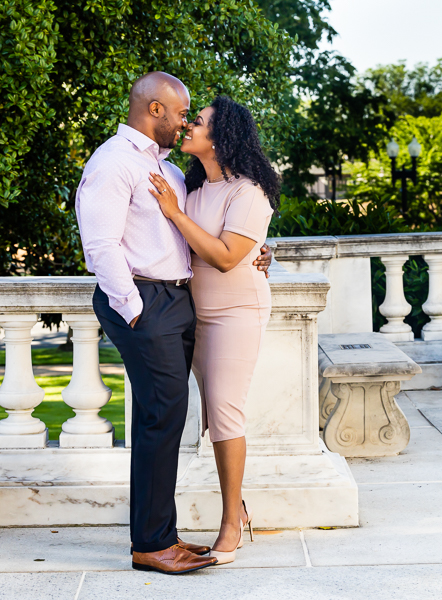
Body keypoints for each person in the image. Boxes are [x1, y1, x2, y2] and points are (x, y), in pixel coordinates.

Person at [75, 73, 272, 576]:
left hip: (181, 302)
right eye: (182, 113)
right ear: (156, 110)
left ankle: (159, 535)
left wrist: (258, 251)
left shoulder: (174, 174)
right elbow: (100, 246)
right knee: (163, 416)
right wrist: (134, 306)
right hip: (147, 302)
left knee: (161, 420)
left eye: (194, 117)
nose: (186, 122)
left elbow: (207, 239)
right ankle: (152, 545)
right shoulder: (114, 162)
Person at [146, 95, 279, 565]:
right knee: (206, 415)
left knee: (225, 413)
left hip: (236, 311)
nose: (187, 126)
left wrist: (174, 214)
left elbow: (224, 258)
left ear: (222, 137)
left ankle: (230, 521)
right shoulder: (190, 185)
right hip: (191, 313)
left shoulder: (250, 191)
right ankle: (234, 507)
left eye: (197, 122)